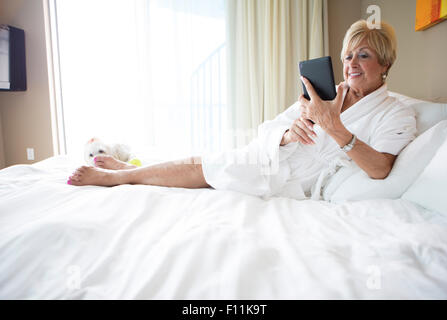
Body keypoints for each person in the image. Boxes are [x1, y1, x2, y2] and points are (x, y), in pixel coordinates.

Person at [68, 20, 416, 200]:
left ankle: (119, 176)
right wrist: (287, 132)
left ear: (386, 62)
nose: (352, 63)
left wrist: (333, 126)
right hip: (273, 156)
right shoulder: (329, 94)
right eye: (348, 55)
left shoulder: (396, 112)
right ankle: (126, 172)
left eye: (364, 55)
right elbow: (270, 125)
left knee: (205, 165)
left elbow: (381, 167)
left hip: (293, 178)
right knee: (204, 162)